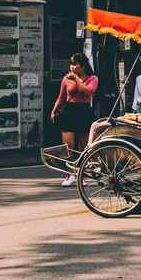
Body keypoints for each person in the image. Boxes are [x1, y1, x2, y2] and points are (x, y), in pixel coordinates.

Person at [50, 52, 98, 186]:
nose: (71, 67)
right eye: (71, 64)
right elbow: (61, 97)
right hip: (69, 111)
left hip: (84, 111)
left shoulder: (92, 78)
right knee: (68, 146)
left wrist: (76, 78)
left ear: (82, 66)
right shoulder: (66, 79)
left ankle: (81, 175)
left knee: (83, 147)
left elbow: (87, 91)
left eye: (74, 64)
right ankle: (69, 174)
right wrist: (53, 111)